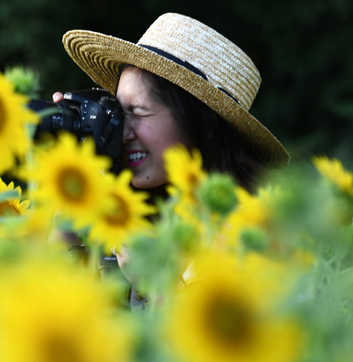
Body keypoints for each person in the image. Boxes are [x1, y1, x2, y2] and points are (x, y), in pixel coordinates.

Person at [54, 13, 290, 307]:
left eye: (137, 113)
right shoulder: (153, 211)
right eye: (117, 112)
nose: (121, 131)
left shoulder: (251, 230)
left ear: (205, 127)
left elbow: (216, 344)